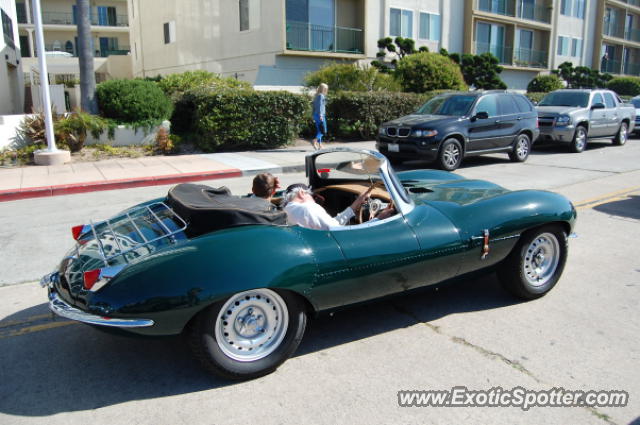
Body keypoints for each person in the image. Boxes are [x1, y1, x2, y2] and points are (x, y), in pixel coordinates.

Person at [283, 183, 395, 230]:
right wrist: (378, 219)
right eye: (312, 196)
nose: (314, 200)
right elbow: (341, 232)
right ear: (302, 193)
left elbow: (333, 224)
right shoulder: (308, 208)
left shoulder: (288, 210)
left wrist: (357, 203)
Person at [311, 83, 328, 150]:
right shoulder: (321, 96)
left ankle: (320, 145)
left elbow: (314, 107)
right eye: (325, 89)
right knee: (323, 130)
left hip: (316, 115)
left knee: (319, 130)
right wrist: (321, 115)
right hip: (320, 115)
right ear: (323, 89)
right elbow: (320, 106)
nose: (326, 90)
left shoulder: (317, 96)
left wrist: (313, 115)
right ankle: (314, 141)